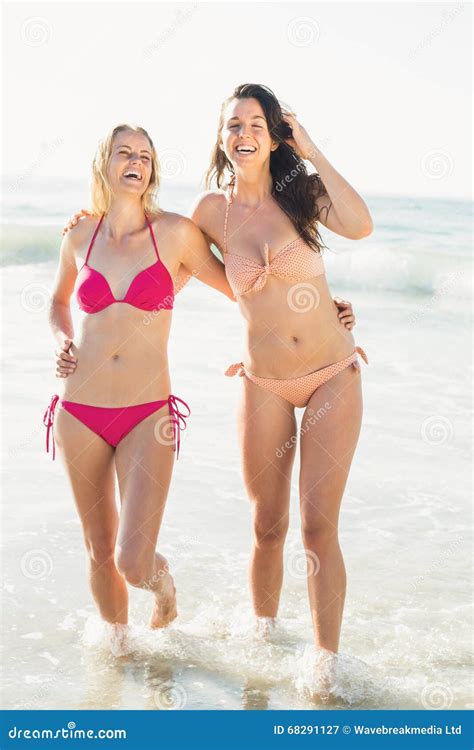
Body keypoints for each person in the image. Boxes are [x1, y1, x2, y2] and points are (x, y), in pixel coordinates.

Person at [190, 84, 373, 668]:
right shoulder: (209, 213)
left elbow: (360, 225)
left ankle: (325, 667)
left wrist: (312, 148)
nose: (243, 135)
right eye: (233, 126)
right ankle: (262, 646)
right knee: (267, 526)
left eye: (255, 125)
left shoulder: (301, 193)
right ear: (221, 139)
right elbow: (157, 254)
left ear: (274, 137)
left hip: (330, 374)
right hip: (262, 380)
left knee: (318, 530)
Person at [44, 123, 233, 638]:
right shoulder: (79, 236)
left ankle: (163, 586)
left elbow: (242, 290)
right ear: (104, 164)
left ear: (152, 170)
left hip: (147, 414)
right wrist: (62, 341)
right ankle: (119, 655)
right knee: (98, 550)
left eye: (145, 155)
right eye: (125, 152)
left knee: (132, 560)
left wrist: (318, 316)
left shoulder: (174, 233)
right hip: (78, 412)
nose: (136, 161)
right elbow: (59, 303)